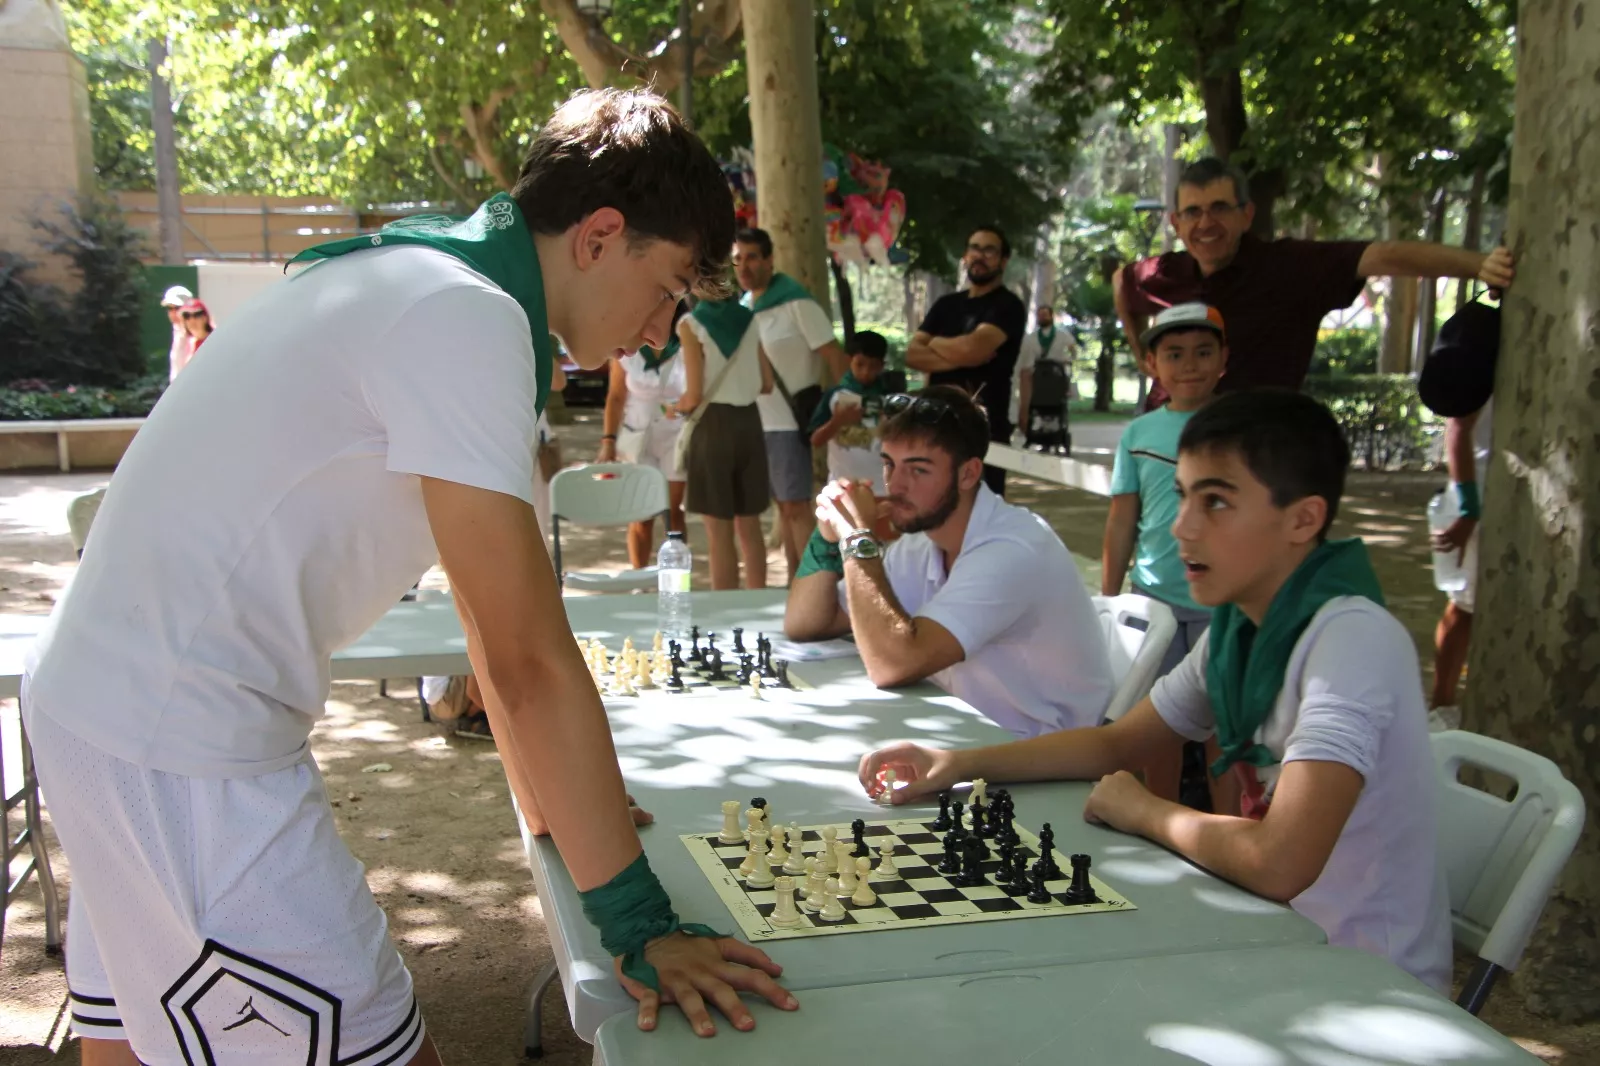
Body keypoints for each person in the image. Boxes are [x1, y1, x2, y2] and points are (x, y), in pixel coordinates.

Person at [24, 89, 796, 1066]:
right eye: (673, 287)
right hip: (183, 746)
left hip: (103, 713)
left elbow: (486, 623)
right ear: (602, 236)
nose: (659, 331)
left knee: (138, 1041)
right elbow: (525, 656)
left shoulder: (427, 279)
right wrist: (639, 920)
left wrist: (555, 801)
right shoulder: (464, 319)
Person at [859, 391, 1451, 992]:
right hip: (1265, 937)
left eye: (1216, 501)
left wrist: (1146, 812)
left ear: (1304, 519)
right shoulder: (1242, 631)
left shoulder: (1350, 641)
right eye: (1185, 494)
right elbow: (1116, 745)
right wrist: (955, 764)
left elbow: (1280, 862)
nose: (1181, 526)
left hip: (1364, 981)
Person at [785, 386, 1113, 737]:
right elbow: (806, 623)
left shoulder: (1012, 550)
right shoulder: (919, 546)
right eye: (889, 464)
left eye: (918, 470)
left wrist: (854, 537)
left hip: (1045, 761)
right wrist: (827, 535)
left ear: (968, 474)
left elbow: (891, 664)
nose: (895, 485)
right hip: (971, 740)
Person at [1115, 157, 1516, 399]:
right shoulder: (1166, 272)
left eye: (1219, 208)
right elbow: (1121, 282)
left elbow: (1384, 256)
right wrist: (1142, 358)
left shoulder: (1289, 267)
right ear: (1176, 222)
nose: (1206, 223)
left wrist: (1479, 265)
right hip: (1163, 451)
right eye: (1193, 212)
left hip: (1254, 459)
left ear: (1247, 214)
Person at [1101, 302, 1228, 808]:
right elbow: (1121, 520)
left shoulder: (1240, 427)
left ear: (1225, 358)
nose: (1190, 364)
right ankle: (1161, 824)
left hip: (1227, 605)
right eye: (1174, 354)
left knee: (1228, 733)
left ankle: (1233, 834)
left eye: (1203, 351)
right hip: (1156, 605)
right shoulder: (1138, 435)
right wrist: (1111, 598)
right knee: (1157, 731)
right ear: (1152, 364)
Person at [734, 228, 848, 580]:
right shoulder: (740, 310)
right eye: (737, 259)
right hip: (751, 423)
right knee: (777, 512)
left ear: (769, 260)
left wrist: (848, 405)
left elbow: (834, 356)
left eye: (752, 257)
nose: (744, 266)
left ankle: (809, 584)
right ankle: (793, 585)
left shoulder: (798, 303)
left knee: (796, 508)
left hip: (787, 425)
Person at [907, 226, 1028, 497]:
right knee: (933, 506)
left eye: (989, 250)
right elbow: (913, 355)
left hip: (984, 429)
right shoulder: (945, 305)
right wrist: (963, 353)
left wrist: (935, 344)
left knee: (980, 515)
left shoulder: (1008, 306)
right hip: (935, 424)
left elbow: (973, 350)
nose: (979, 256)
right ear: (965, 255)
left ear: (1003, 260)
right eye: (974, 248)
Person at [677, 293, 775, 591]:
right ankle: (758, 600)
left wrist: (678, 406)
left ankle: (726, 608)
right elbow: (766, 383)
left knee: (718, 530)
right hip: (749, 422)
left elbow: (693, 395)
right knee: (750, 525)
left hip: (713, 426)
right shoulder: (750, 318)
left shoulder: (690, 324)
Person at [599, 328, 689, 569]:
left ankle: (677, 577)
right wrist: (608, 440)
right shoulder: (626, 347)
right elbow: (616, 396)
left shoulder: (685, 341)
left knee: (673, 510)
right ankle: (639, 577)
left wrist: (680, 409)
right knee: (641, 513)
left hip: (675, 436)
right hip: (637, 437)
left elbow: (697, 391)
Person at [1429, 402, 1491, 727]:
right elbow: (1458, 426)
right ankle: (1442, 707)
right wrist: (1468, 508)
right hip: (1482, 498)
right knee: (1464, 607)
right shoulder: (1484, 356)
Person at [809, 330, 889, 493]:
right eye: (860, 364)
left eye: (873, 366)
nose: (866, 372)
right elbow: (816, 440)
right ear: (849, 361)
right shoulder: (835, 396)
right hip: (842, 487)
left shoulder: (888, 398)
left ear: (882, 366)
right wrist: (838, 421)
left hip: (881, 487)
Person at [1014, 304, 1079, 430]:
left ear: (1051, 316)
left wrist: (1069, 360)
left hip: (1056, 373)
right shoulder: (1031, 338)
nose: (1042, 318)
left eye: (1045, 315)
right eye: (1040, 315)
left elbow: (1073, 350)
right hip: (1037, 374)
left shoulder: (1062, 335)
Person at [161, 284, 196, 381]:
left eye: (177, 308)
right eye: (170, 308)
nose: (173, 313)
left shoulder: (196, 333)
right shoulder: (177, 330)